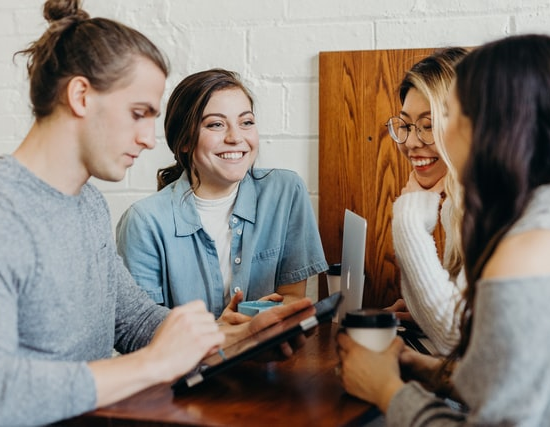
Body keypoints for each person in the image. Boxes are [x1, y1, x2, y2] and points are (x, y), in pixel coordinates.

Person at [0, 1, 312, 425]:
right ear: (80, 96)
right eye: (138, 114)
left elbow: (134, 322)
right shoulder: (7, 213)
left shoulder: (87, 204)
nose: (150, 140)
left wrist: (235, 340)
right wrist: (153, 365)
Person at [337, 33, 550, 425]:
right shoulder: (526, 217)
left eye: (448, 116)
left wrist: (387, 390)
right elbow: (504, 381)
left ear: (498, 127)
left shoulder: (526, 248)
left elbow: (461, 343)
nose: (420, 141)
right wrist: (430, 372)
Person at [116, 68, 328, 324]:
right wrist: (222, 333)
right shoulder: (144, 221)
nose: (235, 137)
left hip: (269, 357)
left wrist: (258, 321)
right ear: (184, 141)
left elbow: (293, 298)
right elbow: (143, 330)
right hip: (190, 363)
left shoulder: (285, 192)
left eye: (246, 122)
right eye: (216, 124)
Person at [385, 47, 468, 355]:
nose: (410, 142)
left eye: (428, 125)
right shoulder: (458, 205)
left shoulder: (496, 208)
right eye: (405, 125)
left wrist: (408, 219)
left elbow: (456, 340)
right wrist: (423, 312)